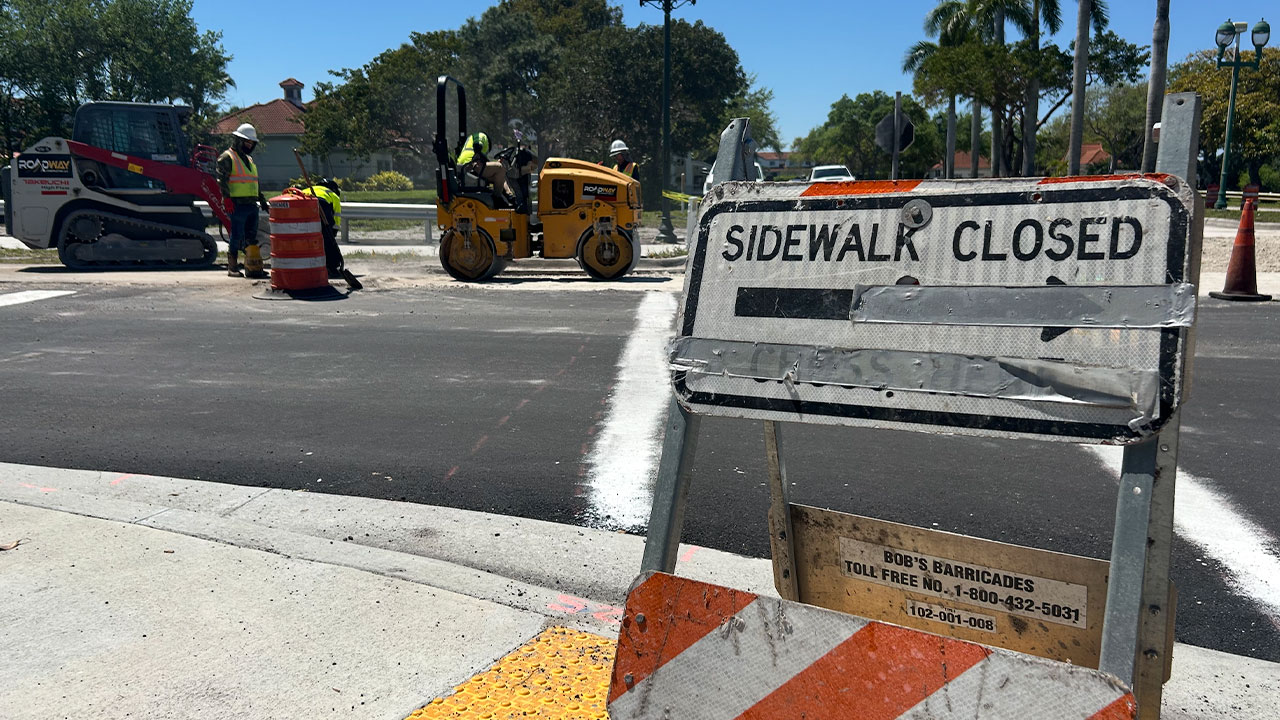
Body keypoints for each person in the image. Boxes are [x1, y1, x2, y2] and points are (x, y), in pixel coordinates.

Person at [217, 123, 269, 277]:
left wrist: (262, 200)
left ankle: (252, 266)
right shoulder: (227, 157)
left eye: (251, 143)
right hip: (237, 205)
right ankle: (232, 267)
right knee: (237, 235)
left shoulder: (249, 160)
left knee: (251, 236)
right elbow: (222, 180)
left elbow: (254, 182)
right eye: (247, 142)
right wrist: (226, 199)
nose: (249, 145)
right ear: (238, 140)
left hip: (251, 204)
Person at [305, 178, 346, 279]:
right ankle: (332, 266)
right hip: (322, 204)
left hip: (301, 205)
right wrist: (333, 232)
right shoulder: (333, 195)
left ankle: (307, 265)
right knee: (327, 240)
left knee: (305, 238)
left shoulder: (307, 189)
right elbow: (336, 217)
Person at [456, 131, 513, 204]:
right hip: (470, 165)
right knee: (500, 168)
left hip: (466, 166)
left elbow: (481, 157)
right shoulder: (481, 136)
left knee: (498, 176)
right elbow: (477, 146)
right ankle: (497, 199)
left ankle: (509, 195)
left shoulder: (470, 138)